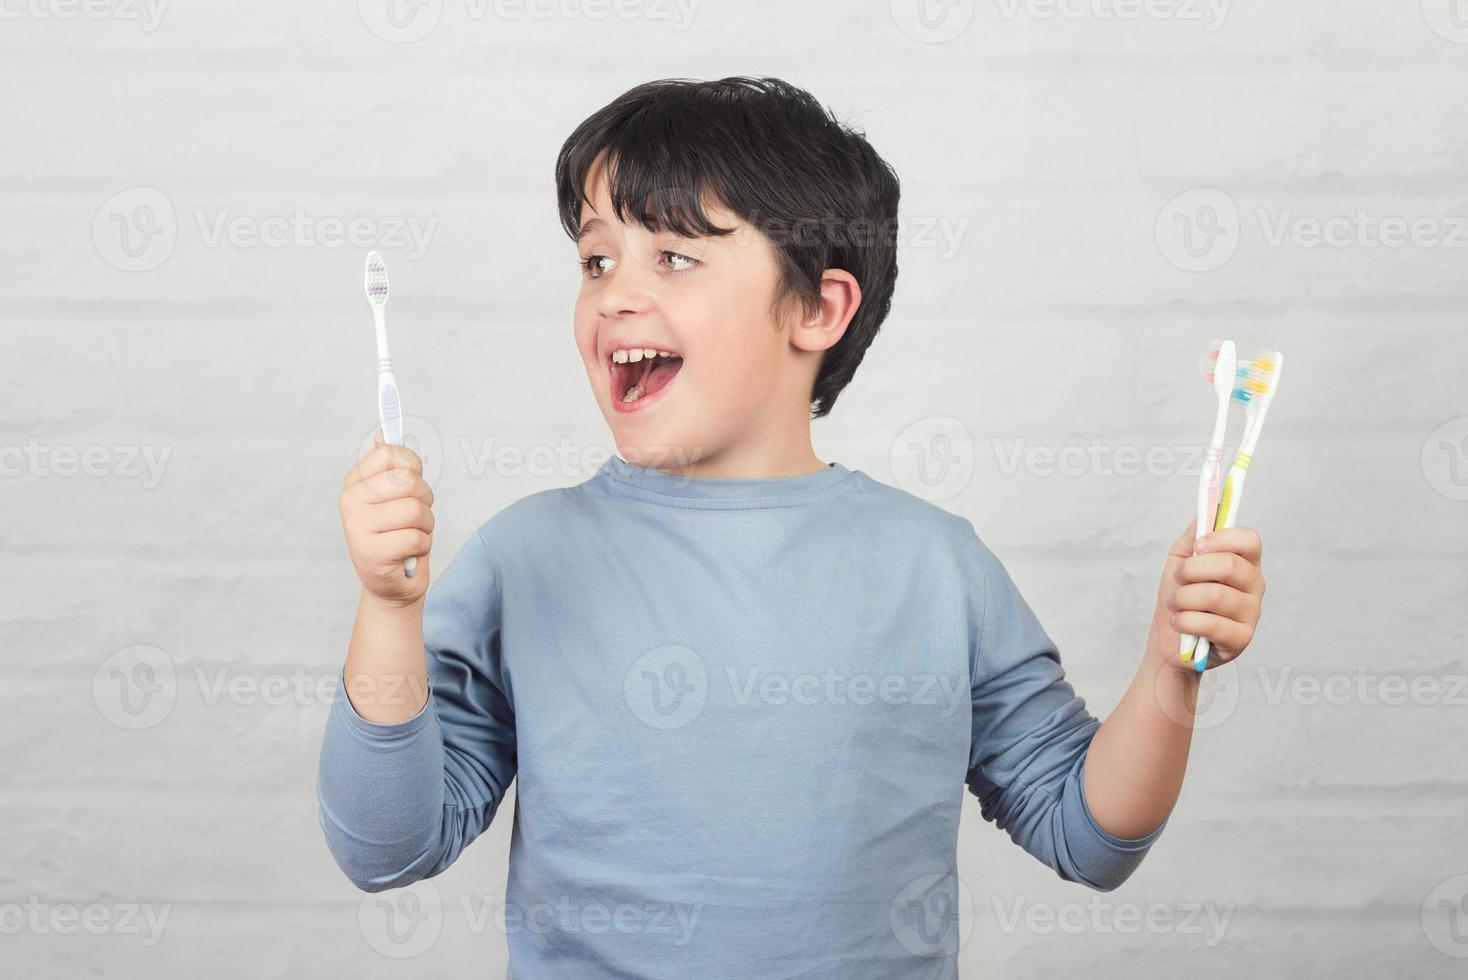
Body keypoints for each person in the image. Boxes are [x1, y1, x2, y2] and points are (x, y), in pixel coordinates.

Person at [318, 76, 1267, 978]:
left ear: (818, 307)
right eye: (597, 259)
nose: (614, 293)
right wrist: (389, 610)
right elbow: (388, 846)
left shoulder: (936, 568)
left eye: (675, 257)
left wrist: (1168, 669)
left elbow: (1090, 835)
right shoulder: (526, 561)